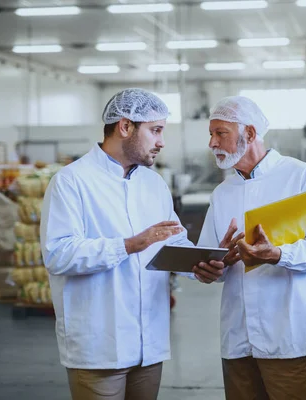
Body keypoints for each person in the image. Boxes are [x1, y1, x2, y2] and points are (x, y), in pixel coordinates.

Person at [40, 88, 230, 400]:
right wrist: (128, 245)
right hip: (101, 345)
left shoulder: (153, 183)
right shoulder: (71, 182)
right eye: (155, 130)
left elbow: (172, 241)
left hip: (149, 344)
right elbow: (59, 254)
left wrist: (199, 265)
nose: (162, 141)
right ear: (125, 127)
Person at [193, 96, 306, 399]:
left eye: (220, 133)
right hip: (238, 337)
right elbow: (210, 257)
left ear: (248, 134)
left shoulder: (298, 176)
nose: (212, 142)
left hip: (289, 334)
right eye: (211, 134)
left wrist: (278, 254)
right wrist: (210, 267)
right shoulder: (223, 193)